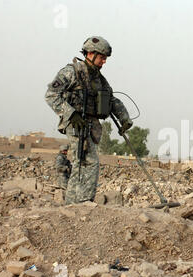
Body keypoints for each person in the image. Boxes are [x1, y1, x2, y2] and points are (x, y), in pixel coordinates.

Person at [45, 36, 133, 204]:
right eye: (102, 57)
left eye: (105, 58)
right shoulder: (72, 72)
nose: (104, 62)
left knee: (83, 163)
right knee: (87, 162)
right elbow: (51, 95)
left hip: (92, 125)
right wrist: (71, 114)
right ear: (90, 54)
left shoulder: (99, 79)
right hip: (76, 123)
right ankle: (81, 202)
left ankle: (76, 203)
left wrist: (124, 119)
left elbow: (111, 99)